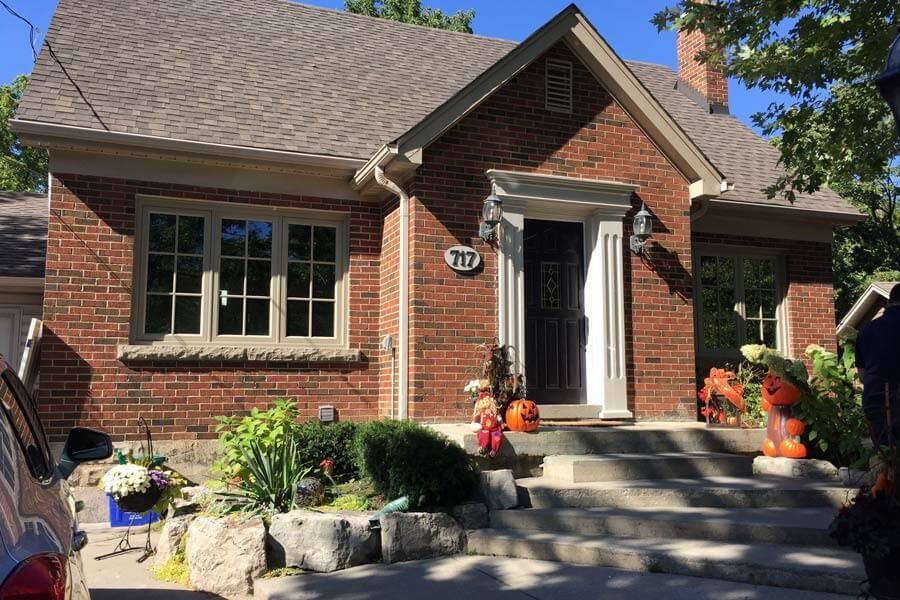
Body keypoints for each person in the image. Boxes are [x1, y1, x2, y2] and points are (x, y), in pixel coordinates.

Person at [855, 284, 900, 446]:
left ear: (889, 301)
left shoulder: (866, 330)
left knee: (884, 456)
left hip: (875, 400)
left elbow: (862, 374)